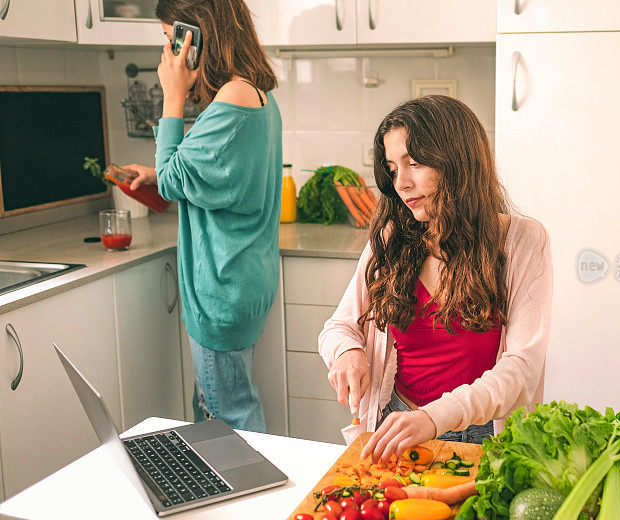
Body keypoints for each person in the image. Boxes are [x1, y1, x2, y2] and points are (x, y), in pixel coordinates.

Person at [318, 95, 553, 461]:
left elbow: (522, 370)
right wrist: (347, 352)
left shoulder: (523, 241)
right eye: (393, 169)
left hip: (484, 437)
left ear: (458, 161)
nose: (402, 184)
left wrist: (433, 418)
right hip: (396, 425)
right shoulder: (392, 236)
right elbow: (338, 326)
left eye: (414, 163)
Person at [121, 0, 282, 432]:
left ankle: (248, 496)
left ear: (197, 35)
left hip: (222, 287)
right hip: (241, 278)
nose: (169, 52)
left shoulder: (231, 100)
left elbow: (175, 181)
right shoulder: (254, 94)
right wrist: (161, 172)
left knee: (229, 418)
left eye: (170, 37)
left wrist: (171, 97)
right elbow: (219, 177)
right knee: (221, 408)